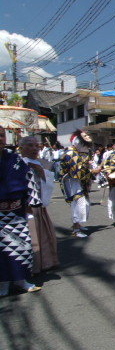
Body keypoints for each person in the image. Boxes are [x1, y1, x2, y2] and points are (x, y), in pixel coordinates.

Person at [0, 127, 42, 297]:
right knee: (1, 253)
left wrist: (29, 204)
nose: (0, 138)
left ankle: (21, 281)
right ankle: (2, 285)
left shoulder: (15, 159)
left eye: (2, 135)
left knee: (22, 248)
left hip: (16, 213)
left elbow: (28, 178)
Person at [18, 136, 59, 273]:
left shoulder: (39, 163)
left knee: (44, 234)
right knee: (31, 237)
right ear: (21, 148)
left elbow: (49, 179)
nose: (35, 148)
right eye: (30, 145)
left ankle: (46, 262)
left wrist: (41, 170)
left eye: (37, 145)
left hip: (39, 205)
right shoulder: (18, 163)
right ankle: (32, 266)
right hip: (25, 207)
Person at [59, 130, 100, 238]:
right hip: (73, 183)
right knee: (78, 205)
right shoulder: (71, 154)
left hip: (80, 182)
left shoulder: (79, 153)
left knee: (83, 203)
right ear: (77, 141)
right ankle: (76, 230)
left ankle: (78, 225)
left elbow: (82, 166)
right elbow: (77, 172)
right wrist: (93, 171)